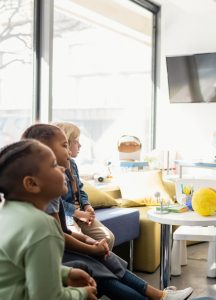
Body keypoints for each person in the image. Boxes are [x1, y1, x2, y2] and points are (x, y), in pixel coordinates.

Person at [21, 124, 193, 300]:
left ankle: (159, 296)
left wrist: (89, 237)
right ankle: (158, 296)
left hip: (63, 242)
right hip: (54, 253)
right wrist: (90, 248)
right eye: (65, 145)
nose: (72, 150)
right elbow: (58, 237)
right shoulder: (45, 190)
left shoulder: (58, 179)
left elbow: (61, 230)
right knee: (98, 266)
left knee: (105, 256)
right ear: (44, 152)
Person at [0, 139, 97, 300]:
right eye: (53, 165)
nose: (61, 168)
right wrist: (82, 293)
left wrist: (65, 273)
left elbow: (17, 266)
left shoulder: (7, 214)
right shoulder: (41, 226)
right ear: (32, 183)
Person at [53, 121, 115, 249]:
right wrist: (77, 213)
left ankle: (99, 267)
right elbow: (54, 201)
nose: (80, 145)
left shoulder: (73, 164)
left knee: (108, 238)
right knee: (82, 244)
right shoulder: (52, 169)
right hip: (68, 216)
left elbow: (80, 189)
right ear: (67, 143)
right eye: (76, 141)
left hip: (81, 214)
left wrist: (87, 206)